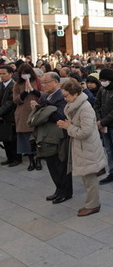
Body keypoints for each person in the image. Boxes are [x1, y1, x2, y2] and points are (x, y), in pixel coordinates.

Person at [57, 80, 106, 216]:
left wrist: (68, 127)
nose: (64, 98)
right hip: (82, 147)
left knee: (90, 180)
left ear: (76, 94)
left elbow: (85, 131)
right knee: (86, 178)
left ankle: (93, 205)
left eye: (66, 95)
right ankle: (91, 204)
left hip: (87, 147)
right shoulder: (75, 106)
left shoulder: (85, 108)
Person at [31, 72, 72, 204]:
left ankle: (66, 192)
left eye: (46, 82)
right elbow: (41, 113)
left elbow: (60, 115)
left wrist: (43, 110)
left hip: (59, 135)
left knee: (60, 164)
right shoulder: (46, 96)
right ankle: (58, 190)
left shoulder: (61, 95)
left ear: (56, 82)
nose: (43, 85)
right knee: (51, 164)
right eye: (42, 83)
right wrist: (41, 108)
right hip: (46, 136)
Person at [13, 63, 41, 170]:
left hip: (36, 111)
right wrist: (24, 92)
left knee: (38, 137)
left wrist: (33, 90)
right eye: (23, 74)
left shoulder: (37, 81)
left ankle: (38, 160)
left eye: (27, 73)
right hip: (23, 113)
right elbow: (15, 100)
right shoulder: (17, 84)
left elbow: (43, 94)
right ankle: (31, 160)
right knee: (26, 139)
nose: (25, 75)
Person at [0, 65, 22, 166]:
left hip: (11, 116)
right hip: (2, 117)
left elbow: (10, 103)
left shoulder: (14, 86)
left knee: (13, 139)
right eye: (0, 74)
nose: (2, 76)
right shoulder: (1, 85)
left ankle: (17, 159)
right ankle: (9, 158)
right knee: (5, 138)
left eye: (4, 73)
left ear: (11, 74)